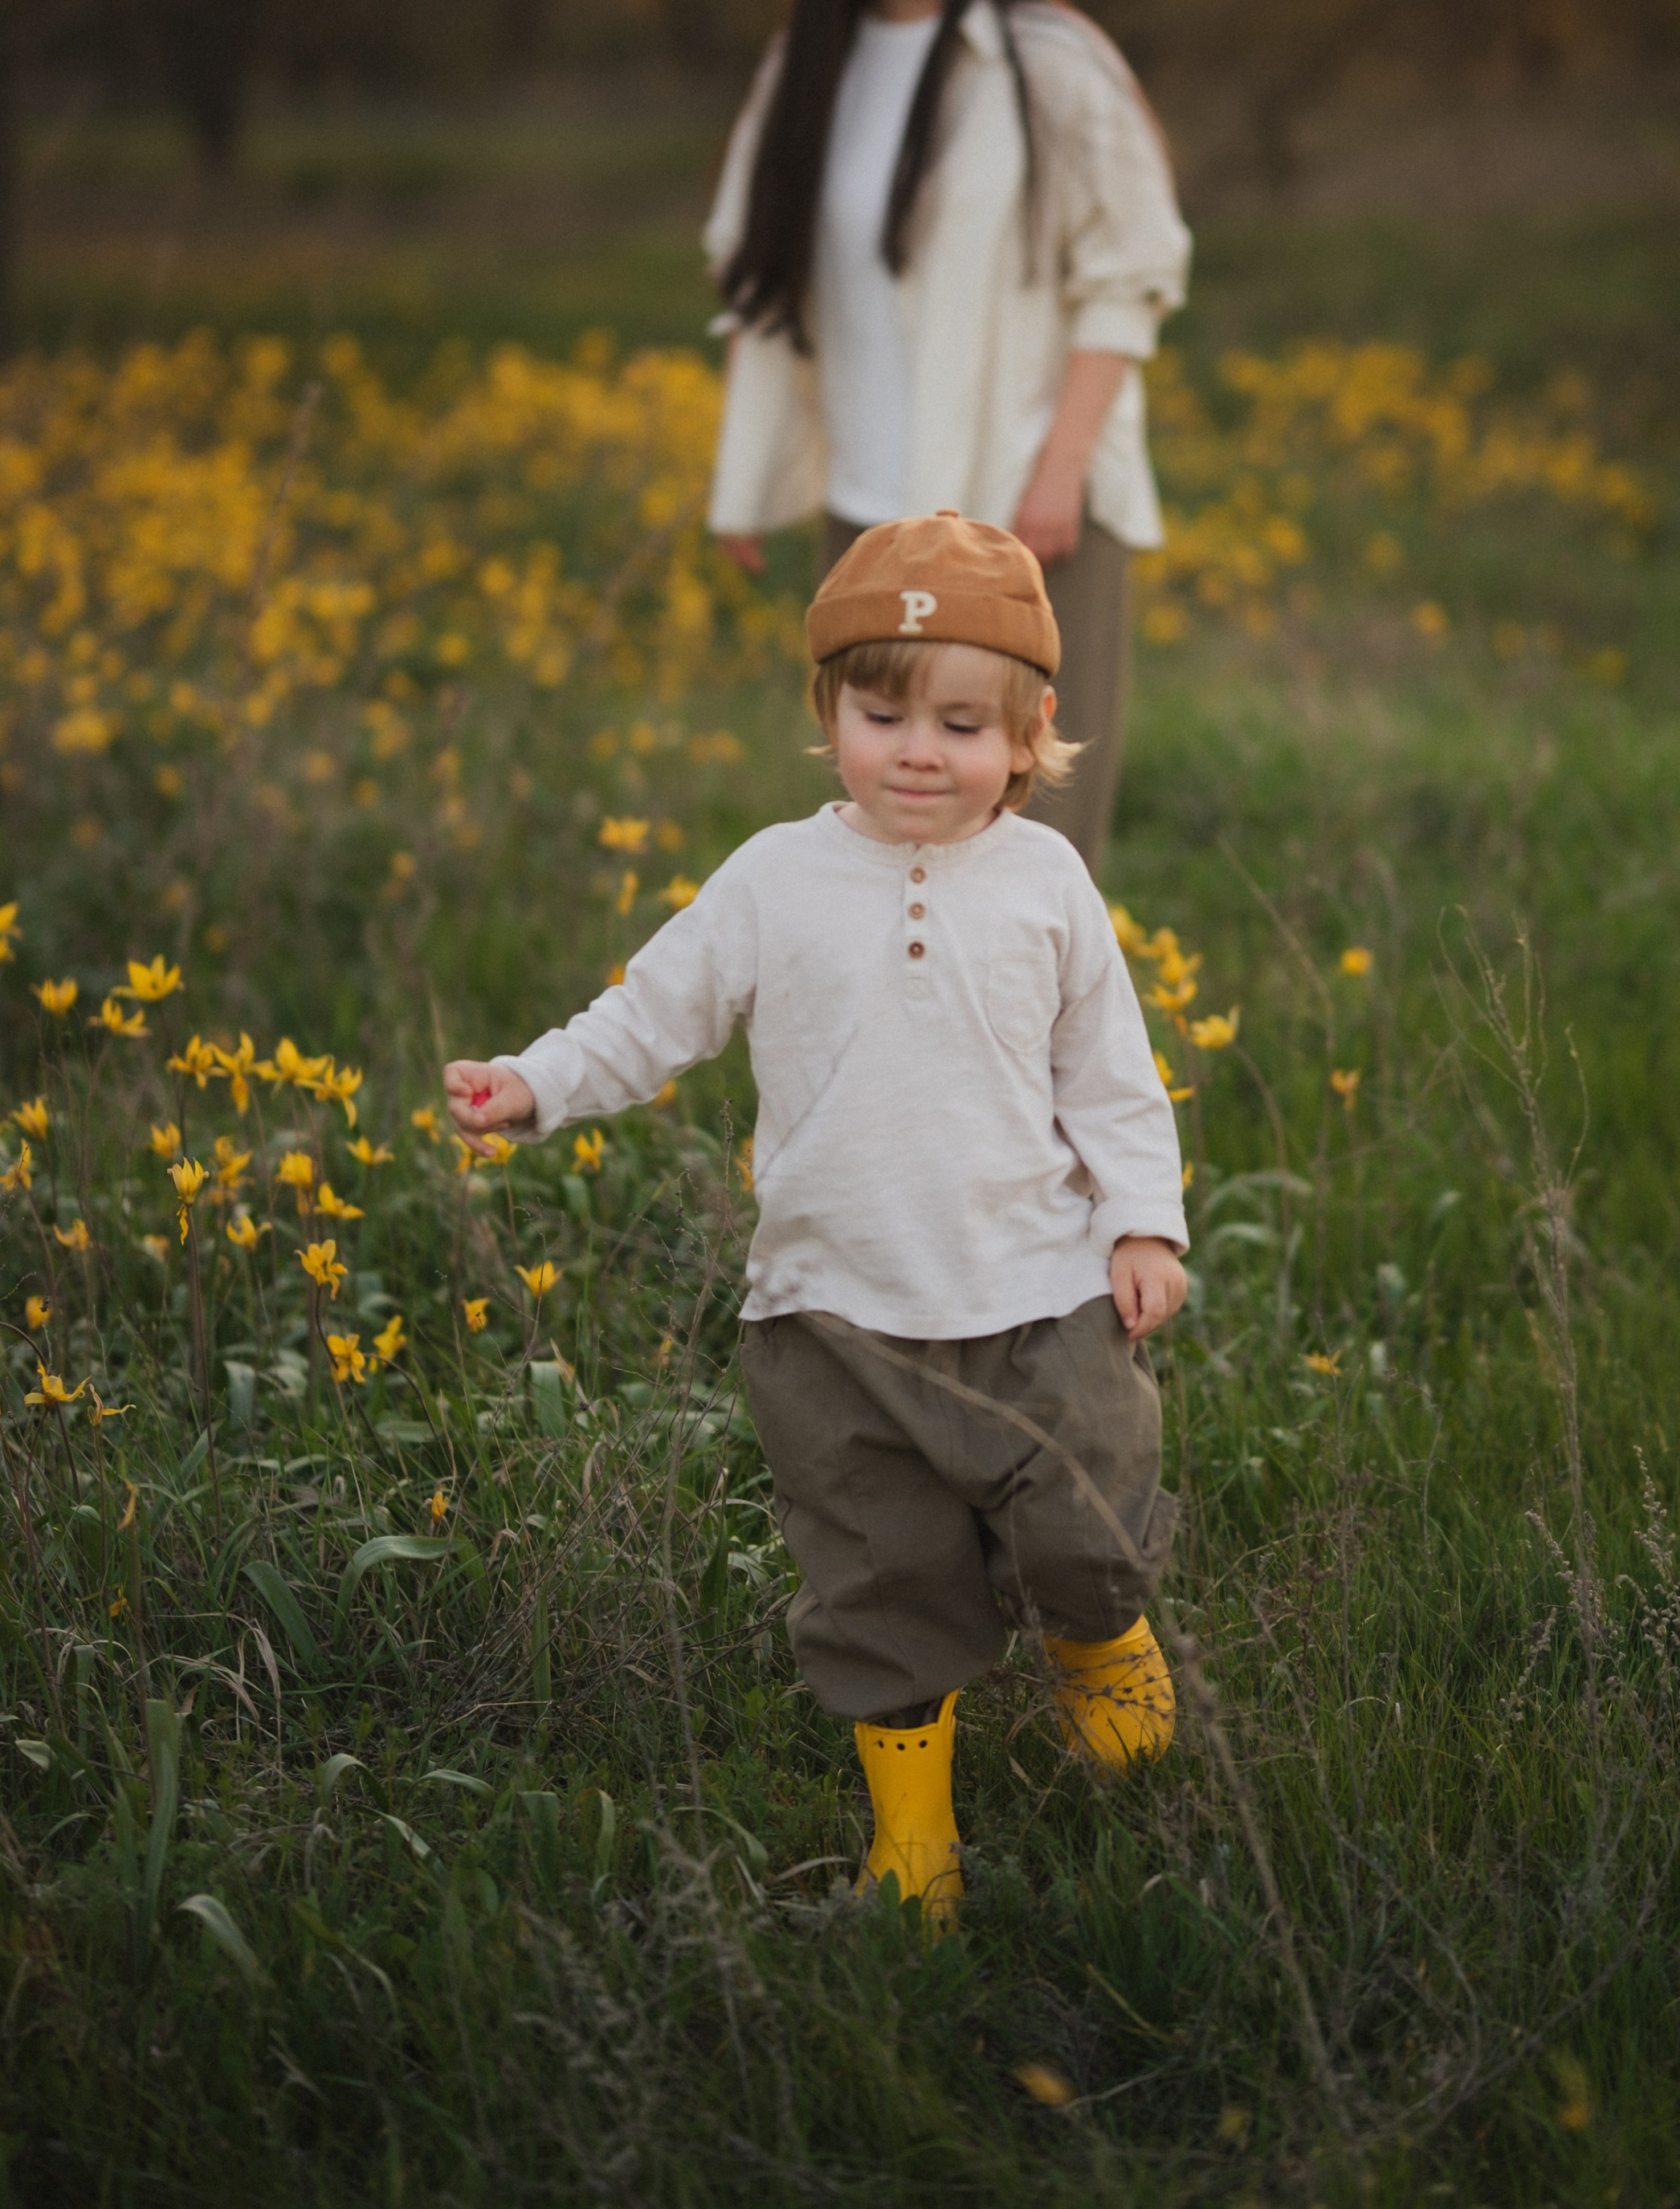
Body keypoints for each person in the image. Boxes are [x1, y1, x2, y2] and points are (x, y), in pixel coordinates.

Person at [446, 509, 1191, 1926]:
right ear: (829, 710)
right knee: (880, 1578)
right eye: (882, 710)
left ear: (1031, 735)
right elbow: (649, 1014)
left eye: (965, 725)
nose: (921, 749)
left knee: (1086, 1513)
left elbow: (1111, 1073)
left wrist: (1141, 1225)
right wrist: (535, 1084)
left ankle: (1095, 1637)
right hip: (830, 1314)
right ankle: (917, 1838)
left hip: (1039, 1293)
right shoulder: (773, 880)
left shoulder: (1046, 883)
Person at [704, 0, 1191, 873]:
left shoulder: (1049, 61)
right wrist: (748, 470)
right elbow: (756, 279)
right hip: (869, 519)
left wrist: (1062, 472)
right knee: (885, 852)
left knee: (1032, 860)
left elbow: (1128, 274)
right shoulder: (804, 70)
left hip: (1030, 517)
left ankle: (1049, 1059)